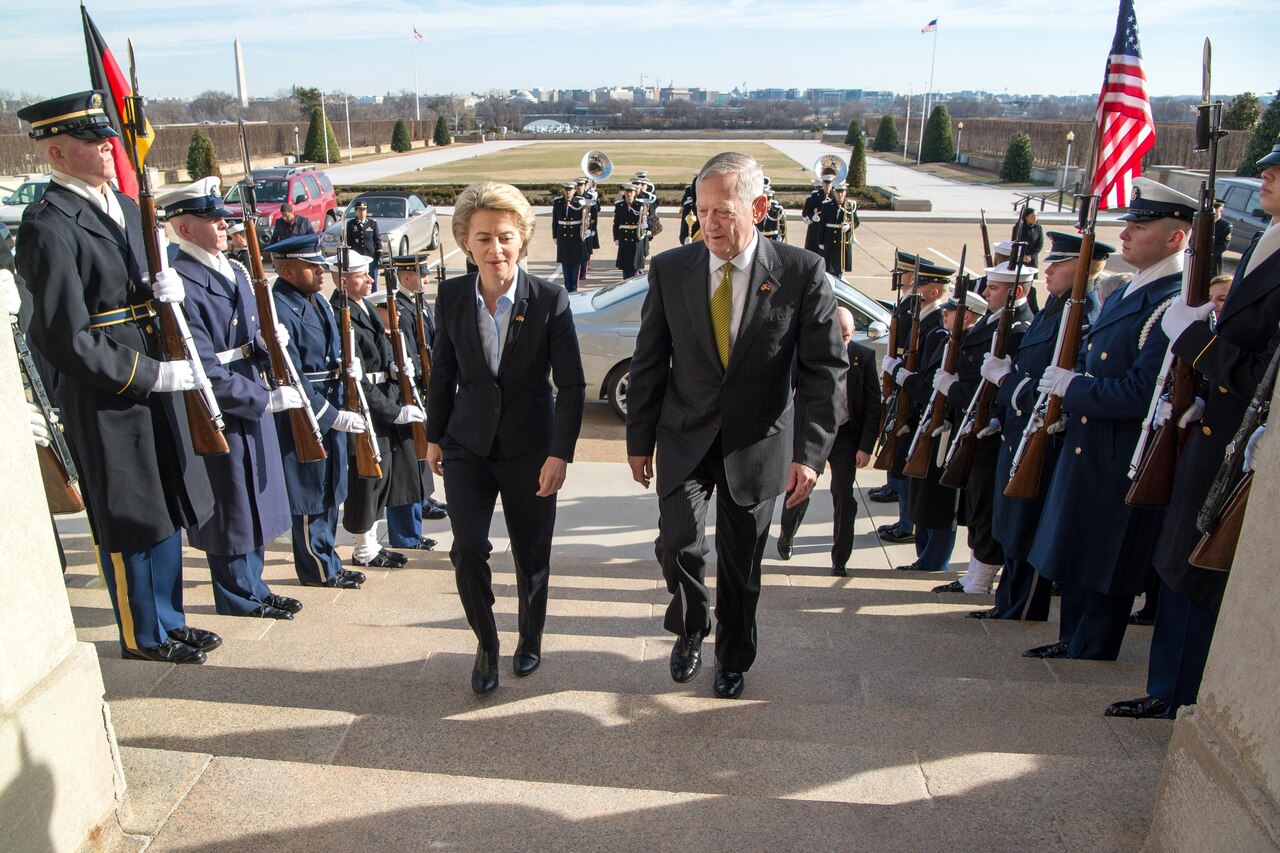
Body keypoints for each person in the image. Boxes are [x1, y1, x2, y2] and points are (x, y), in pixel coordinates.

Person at [626, 152, 846, 700]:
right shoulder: (671, 269)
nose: (710, 223)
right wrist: (638, 440)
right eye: (702, 211)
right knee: (677, 543)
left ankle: (733, 657)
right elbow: (649, 359)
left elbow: (825, 370)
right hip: (684, 433)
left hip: (758, 440)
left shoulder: (801, 271)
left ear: (760, 207)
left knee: (742, 562)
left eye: (723, 211)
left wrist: (811, 456)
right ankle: (691, 624)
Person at [15, 91, 219, 663]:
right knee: (128, 512)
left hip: (157, 371)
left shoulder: (128, 208)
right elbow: (62, 337)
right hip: (111, 387)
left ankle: (171, 619)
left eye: (105, 137)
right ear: (56, 153)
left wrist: (168, 294)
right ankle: (141, 634)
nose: (107, 146)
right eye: (90, 141)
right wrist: (148, 375)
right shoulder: (48, 225)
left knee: (165, 501)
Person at [1107, 137, 1280, 719]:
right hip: (1216, 430)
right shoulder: (1267, 241)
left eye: (1278, 171)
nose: (1268, 176)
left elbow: (1264, 369)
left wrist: (1195, 340)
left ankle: (1182, 695)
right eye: (1269, 167)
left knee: (1200, 569)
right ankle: (1169, 689)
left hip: (1242, 443)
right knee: (1182, 564)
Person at [1023, 178, 1195, 661]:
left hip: (1120, 451)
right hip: (1090, 443)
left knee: (1105, 555)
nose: (1126, 234)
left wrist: (1073, 388)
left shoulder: (1171, 303)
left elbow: (1143, 393)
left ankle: (1092, 645)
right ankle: (1073, 637)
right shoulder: (1127, 292)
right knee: (1078, 548)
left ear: (1175, 237)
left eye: (1140, 225)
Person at [425, 181, 585, 695]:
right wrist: (434, 436)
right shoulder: (450, 296)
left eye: (506, 237)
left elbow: (574, 384)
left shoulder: (549, 300)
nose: (496, 249)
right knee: (467, 550)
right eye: (484, 238)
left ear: (522, 240)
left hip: (531, 450)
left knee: (530, 553)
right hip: (466, 445)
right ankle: (487, 642)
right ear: (466, 243)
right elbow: (442, 373)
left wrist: (560, 453)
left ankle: (530, 638)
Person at [158, 177, 305, 620]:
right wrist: (261, 399)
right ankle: (237, 594)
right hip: (220, 401)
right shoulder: (181, 278)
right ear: (184, 230)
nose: (224, 226)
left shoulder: (234, 268)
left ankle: (254, 585)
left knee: (254, 497)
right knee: (230, 504)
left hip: (249, 384)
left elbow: (246, 332)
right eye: (212, 220)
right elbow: (200, 361)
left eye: (223, 219)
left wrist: (266, 343)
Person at [971, 231, 1107, 621]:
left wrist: (1006, 382)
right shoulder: (1055, 309)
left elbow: (1055, 391)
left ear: (1083, 270)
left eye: (1059, 264)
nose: (1047, 270)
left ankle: (1023, 605)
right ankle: (1007, 602)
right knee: (1011, 524)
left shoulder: (1081, 317)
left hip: (1040, 437)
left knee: (1026, 526)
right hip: (1017, 430)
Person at [266, 233, 367, 591]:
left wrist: (349, 363)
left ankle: (330, 560)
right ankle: (317, 569)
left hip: (331, 397)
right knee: (311, 491)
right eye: (313, 266)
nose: (322, 272)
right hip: (306, 412)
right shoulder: (278, 307)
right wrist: (330, 415)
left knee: (330, 488)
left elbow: (334, 346)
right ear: (289, 270)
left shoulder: (319, 302)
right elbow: (291, 373)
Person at [930, 263, 1034, 595]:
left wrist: (952, 389)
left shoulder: (1017, 330)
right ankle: (975, 572)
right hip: (973, 427)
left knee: (985, 507)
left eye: (994, 288)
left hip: (991, 432)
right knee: (975, 504)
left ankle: (982, 577)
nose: (985, 293)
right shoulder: (994, 323)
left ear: (1016, 292)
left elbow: (986, 390)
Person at [329, 250, 419, 570]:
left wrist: (395, 369)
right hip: (365, 405)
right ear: (343, 280)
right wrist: (392, 412)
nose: (370, 279)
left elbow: (380, 356)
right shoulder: (340, 313)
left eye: (369, 274)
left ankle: (371, 541)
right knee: (364, 480)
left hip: (381, 398)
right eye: (361, 275)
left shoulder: (364, 307)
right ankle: (362, 547)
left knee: (381, 477)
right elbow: (356, 379)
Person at [775, 307, 878, 576]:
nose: (840, 341)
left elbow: (872, 404)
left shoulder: (863, 357)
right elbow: (787, 391)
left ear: (853, 333)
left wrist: (866, 446)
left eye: (845, 336)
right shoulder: (808, 352)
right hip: (812, 430)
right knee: (798, 490)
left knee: (844, 496)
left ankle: (840, 559)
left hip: (845, 434)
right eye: (836, 334)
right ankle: (787, 535)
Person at [894, 292, 987, 573]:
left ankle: (934, 562)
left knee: (940, 504)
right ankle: (924, 557)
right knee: (921, 499)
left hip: (948, 433)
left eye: (950, 311)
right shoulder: (939, 338)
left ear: (967, 317)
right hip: (927, 427)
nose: (943, 314)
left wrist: (909, 382)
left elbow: (946, 394)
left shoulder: (969, 348)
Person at [876, 253, 953, 545]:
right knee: (901, 464)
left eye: (919, 286)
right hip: (906, 397)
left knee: (911, 471)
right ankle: (906, 522)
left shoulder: (937, 322)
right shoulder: (918, 313)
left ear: (934, 291)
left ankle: (908, 525)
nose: (913, 291)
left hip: (917, 402)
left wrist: (902, 377)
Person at [383, 253, 446, 551]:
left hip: (424, 385)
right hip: (412, 388)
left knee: (421, 449)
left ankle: (422, 499)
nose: (427, 280)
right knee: (412, 454)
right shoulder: (401, 308)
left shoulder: (419, 304)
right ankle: (409, 524)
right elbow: (407, 348)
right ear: (406, 277)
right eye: (422, 275)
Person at [551, 182, 588, 292]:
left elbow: (586, 218)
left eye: (570, 190)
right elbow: (555, 221)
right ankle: (568, 286)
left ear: (574, 190)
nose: (568, 192)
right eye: (566, 190)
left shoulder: (579, 202)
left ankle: (573, 287)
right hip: (563, 235)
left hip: (575, 236)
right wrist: (555, 235)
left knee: (575, 262)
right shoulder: (558, 202)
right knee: (565, 263)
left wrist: (586, 230)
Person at [819, 183, 858, 277]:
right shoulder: (826, 205)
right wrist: (820, 241)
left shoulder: (850, 206)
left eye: (842, 192)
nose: (839, 194)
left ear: (845, 193)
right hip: (829, 238)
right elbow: (821, 225)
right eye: (837, 192)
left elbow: (856, 221)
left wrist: (849, 227)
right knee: (827, 266)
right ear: (834, 192)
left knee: (839, 267)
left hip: (842, 240)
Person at [345, 201, 381, 288]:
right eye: (360, 210)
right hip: (358, 257)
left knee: (372, 280)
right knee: (359, 280)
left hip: (371, 255)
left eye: (364, 210)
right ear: (356, 211)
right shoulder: (351, 224)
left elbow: (377, 240)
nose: (362, 212)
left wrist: (380, 254)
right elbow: (349, 242)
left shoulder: (372, 223)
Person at [613, 184, 645, 280]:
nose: (629, 194)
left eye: (631, 192)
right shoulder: (619, 205)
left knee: (634, 266)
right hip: (624, 238)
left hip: (635, 238)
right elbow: (616, 223)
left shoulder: (640, 205)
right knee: (626, 266)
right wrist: (616, 237)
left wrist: (645, 226)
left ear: (635, 193)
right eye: (627, 192)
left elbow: (648, 220)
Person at [802, 176, 833, 254]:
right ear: (822, 183)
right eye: (826, 183)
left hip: (828, 231)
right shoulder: (815, 196)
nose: (828, 185)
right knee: (812, 254)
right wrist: (812, 217)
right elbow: (806, 212)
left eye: (829, 183)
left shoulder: (834, 197)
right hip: (815, 230)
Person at [1211, 199, 1232, 277]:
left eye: (1216, 209)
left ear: (1221, 210)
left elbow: (1223, 246)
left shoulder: (1225, 226)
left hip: (1213, 261)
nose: (1213, 211)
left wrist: (1207, 253)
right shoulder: (1203, 222)